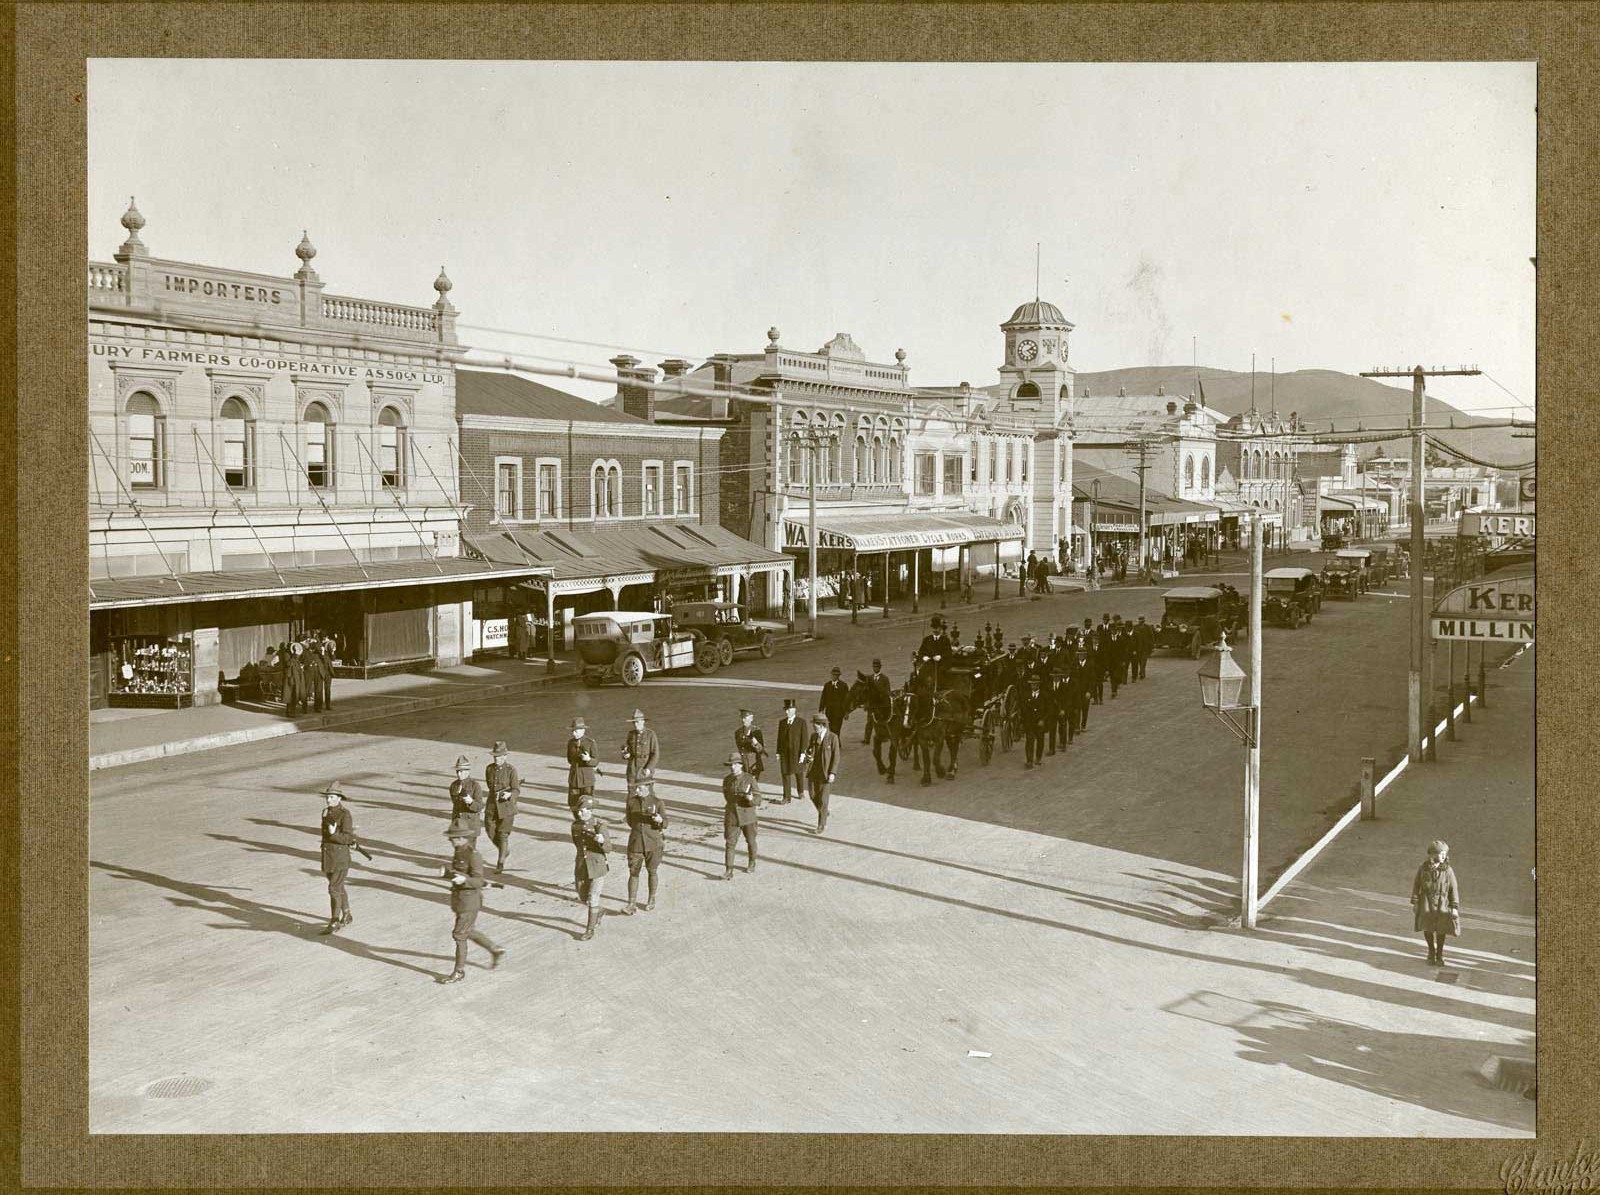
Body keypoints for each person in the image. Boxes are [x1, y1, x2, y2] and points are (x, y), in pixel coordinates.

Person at [439, 826, 505, 983]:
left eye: (453, 838)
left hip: (469, 901)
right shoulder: (459, 851)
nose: (450, 840)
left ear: (463, 838)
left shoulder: (473, 855)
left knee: (459, 934)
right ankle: (494, 949)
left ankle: (459, 971)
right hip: (460, 899)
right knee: (467, 930)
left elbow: (477, 880)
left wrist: (465, 880)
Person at [1411, 839, 1461, 965]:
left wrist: (1454, 906)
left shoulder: (1448, 870)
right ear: (1432, 854)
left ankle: (1439, 954)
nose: (1443, 856)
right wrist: (1415, 902)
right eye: (1440, 853)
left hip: (1442, 904)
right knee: (1427, 929)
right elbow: (1416, 885)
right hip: (1426, 903)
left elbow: (1453, 888)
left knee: (1441, 930)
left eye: (1445, 854)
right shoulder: (1423, 869)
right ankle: (1431, 951)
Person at [318, 781, 359, 934]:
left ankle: (334, 921)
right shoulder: (325, 812)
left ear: (339, 798)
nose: (329, 800)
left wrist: (334, 834)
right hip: (328, 857)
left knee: (334, 888)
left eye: (332, 797)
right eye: (327, 797)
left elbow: (348, 838)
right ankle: (347, 914)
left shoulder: (345, 814)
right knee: (338, 886)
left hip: (340, 858)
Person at [624, 777, 668, 915]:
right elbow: (630, 821)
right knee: (633, 873)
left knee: (652, 871)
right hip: (636, 843)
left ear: (647, 788)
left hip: (653, 844)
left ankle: (651, 899)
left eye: (640, 788)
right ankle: (631, 903)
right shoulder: (631, 802)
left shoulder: (657, 802)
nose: (637, 790)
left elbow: (666, 822)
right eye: (636, 788)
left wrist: (660, 821)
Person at [571, 797, 610, 940]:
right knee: (583, 897)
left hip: (597, 866)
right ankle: (598, 912)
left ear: (591, 811)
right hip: (582, 866)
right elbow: (577, 844)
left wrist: (602, 841)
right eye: (578, 811)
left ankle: (589, 929)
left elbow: (609, 848)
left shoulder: (599, 826)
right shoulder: (575, 826)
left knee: (593, 898)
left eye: (583, 811)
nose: (580, 814)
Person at [721, 751, 761, 878]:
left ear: (741, 765)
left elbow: (759, 798)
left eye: (735, 765)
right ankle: (729, 870)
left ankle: (752, 862)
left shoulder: (749, 779)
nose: (732, 767)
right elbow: (727, 797)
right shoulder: (727, 780)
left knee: (750, 841)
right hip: (732, 817)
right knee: (730, 843)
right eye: (731, 765)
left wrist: (751, 799)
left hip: (748, 816)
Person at [483, 740, 520, 873]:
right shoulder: (489, 769)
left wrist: (509, 794)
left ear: (505, 756)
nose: (497, 759)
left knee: (502, 834)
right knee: (489, 828)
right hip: (492, 805)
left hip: (507, 807)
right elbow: (489, 785)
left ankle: (500, 863)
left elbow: (516, 789)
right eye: (495, 757)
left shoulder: (511, 770)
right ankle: (504, 850)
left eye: (499, 757)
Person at [806, 711, 839, 835]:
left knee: (823, 800)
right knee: (812, 795)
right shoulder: (814, 737)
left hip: (825, 774)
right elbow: (810, 750)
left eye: (816, 725)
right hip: (813, 771)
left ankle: (821, 825)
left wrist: (833, 773)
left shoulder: (833, 738)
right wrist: (808, 756)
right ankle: (824, 812)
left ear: (822, 725)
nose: (814, 728)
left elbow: (836, 757)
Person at [775, 698, 809, 804]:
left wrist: (803, 752)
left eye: (789, 710)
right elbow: (779, 738)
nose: (787, 712)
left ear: (794, 710)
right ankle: (787, 796)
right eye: (786, 710)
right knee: (785, 773)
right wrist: (778, 752)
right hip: (785, 753)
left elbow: (805, 738)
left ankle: (800, 791)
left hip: (797, 752)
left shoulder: (801, 722)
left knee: (799, 772)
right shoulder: (782, 723)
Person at [447, 754, 486, 845]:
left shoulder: (475, 785)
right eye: (457, 771)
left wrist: (471, 802)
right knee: (459, 851)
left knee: (470, 852)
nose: (459, 774)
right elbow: (455, 804)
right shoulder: (454, 786)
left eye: (461, 771)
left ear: (467, 772)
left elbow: (479, 807)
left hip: (470, 825)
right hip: (458, 825)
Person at [566, 717, 599, 814]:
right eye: (573, 731)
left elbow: (596, 761)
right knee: (573, 804)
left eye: (576, 731)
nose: (574, 733)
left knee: (587, 805)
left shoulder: (590, 742)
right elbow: (569, 759)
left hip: (587, 780)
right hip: (574, 779)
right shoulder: (571, 743)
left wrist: (588, 760)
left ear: (583, 730)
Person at [621, 708, 659, 790]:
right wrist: (626, 755)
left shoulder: (650, 734)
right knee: (631, 794)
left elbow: (655, 753)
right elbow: (628, 749)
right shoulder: (631, 734)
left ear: (643, 721)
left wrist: (649, 768)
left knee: (646, 795)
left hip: (644, 767)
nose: (635, 724)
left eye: (637, 722)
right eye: (634, 722)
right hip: (632, 769)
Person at [1021, 674, 1048, 769]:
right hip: (1029, 723)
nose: (1034, 686)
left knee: (1040, 741)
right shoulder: (1026, 696)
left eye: (1036, 684)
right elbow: (1023, 710)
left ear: (1038, 685)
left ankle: (1038, 757)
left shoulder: (1044, 696)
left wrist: (1043, 720)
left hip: (1040, 723)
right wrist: (1023, 723)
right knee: (1029, 741)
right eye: (1032, 684)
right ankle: (1029, 761)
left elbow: (1048, 710)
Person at [864, 658, 892, 745]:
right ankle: (866, 739)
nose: (875, 668)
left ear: (880, 668)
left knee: (881, 721)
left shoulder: (885, 679)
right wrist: (866, 704)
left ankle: (883, 737)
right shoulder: (869, 678)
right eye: (874, 667)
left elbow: (887, 691)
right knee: (869, 722)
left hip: (881, 706)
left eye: (877, 667)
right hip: (871, 706)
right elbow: (866, 693)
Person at [819, 667, 851, 740]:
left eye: (836, 675)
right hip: (829, 712)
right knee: (831, 728)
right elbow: (823, 698)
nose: (834, 676)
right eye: (833, 675)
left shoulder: (843, 686)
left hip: (839, 712)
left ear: (838, 676)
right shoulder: (827, 685)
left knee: (837, 729)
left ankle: (836, 743)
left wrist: (847, 712)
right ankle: (836, 743)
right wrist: (821, 709)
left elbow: (847, 700)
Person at [734, 707, 767, 778]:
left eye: (746, 718)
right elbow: (739, 747)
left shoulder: (756, 731)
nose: (743, 720)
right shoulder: (738, 732)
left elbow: (760, 749)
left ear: (751, 719)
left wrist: (753, 741)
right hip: (743, 761)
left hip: (754, 761)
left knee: (753, 782)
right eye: (743, 718)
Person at [307, 637, 333, 712]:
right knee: (309, 689)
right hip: (311, 671)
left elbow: (327, 659)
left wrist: (322, 652)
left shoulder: (320, 652)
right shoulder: (308, 651)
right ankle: (306, 707)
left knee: (319, 690)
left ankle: (318, 707)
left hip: (320, 671)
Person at [282, 640, 307, 717]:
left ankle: (292, 711)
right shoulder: (287, 654)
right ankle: (289, 712)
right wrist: (294, 655)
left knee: (295, 695)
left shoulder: (295, 656)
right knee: (290, 695)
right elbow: (288, 664)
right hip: (291, 677)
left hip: (296, 677)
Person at [1132, 615, 1155, 681]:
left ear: (1144, 621)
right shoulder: (1135, 627)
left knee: (1143, 661)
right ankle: (1142, 671)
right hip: (1137, 648)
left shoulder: (1148, 627)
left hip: (1145, 647)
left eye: (1142, 620)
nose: (1140, 621)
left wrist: (1152, 646)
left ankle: (1142, 672)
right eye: (1139, 619)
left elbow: (1151, 637)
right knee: (1139, 660)